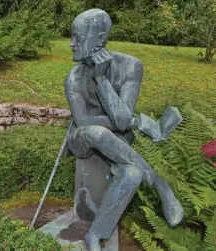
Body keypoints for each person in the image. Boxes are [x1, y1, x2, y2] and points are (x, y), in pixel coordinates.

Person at [64, 9, 183, 251]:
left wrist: (102, 80)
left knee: (132, 174)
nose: (71, 43)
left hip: (118, 142)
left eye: (78, 37)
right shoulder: (73, 79)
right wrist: (134, 121)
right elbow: (85, 123)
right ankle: (161, 186)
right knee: (97, 133)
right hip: (81, 140)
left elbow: (120, 121)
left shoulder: (130, 67)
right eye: (72, 36)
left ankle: (95, 235)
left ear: (100, 40)